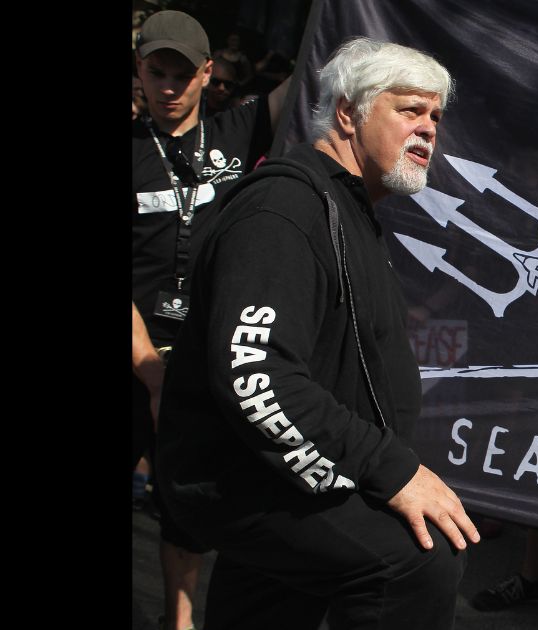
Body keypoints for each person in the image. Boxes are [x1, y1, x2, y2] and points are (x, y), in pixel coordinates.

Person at [155, 36, 479, 629]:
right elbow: (256, 371)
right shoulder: (284, 208)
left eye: (436, 115)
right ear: (349, 114)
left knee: (266, 604)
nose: (429, 129)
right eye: (409, 110)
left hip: (288, 476)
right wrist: (389, 468)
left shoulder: (347, 208)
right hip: (250, 479)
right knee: (415, 560)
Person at [132, 10, 291, 630]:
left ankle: (179, 619)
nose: (168, 87)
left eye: (181, 74)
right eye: (155, 71)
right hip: (138, 351)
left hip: (208, 357)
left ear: (206, 74)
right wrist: (149, 372)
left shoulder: (240, 125)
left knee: (186, 506)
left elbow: (322, 60)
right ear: (139, 72)